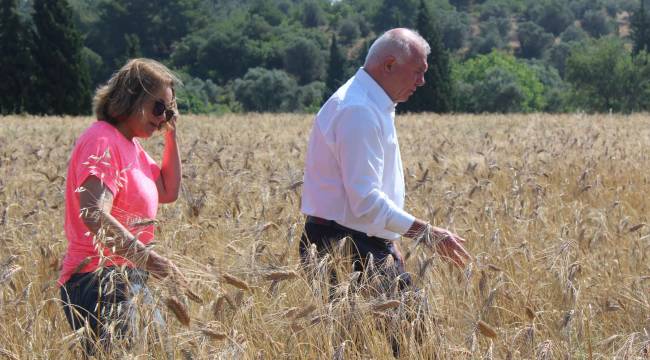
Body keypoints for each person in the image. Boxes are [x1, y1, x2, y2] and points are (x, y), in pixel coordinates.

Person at [300, 28, 471, 295]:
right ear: (389, 65)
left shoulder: (370, 104)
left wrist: (389, 241)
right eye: (417, 71)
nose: (423, 81)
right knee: (406, 333)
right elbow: (365, 201)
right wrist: (428, 234)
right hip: (344, 246)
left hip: (354, 241)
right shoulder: (358, 110)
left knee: (396, 333)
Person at [58, 58, 194, 356]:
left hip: (128, 278)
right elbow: (93, 212)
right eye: (158, 107)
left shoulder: (130, 146)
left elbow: (168, 191)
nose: (163, 116)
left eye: (169, 110)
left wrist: (171, 132)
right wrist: (150, 259)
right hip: (98, 281)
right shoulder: (102, 140)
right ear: (130, 97)